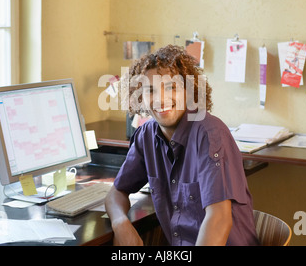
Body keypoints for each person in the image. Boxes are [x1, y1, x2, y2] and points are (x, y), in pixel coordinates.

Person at [105, 45, 259, 246]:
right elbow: (115, 193)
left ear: (189, 91)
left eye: (171, 87)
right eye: (150, 90)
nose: (161, 98)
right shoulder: (146, 135)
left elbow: (219, 220)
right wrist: (120, 224)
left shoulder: (210, 135)